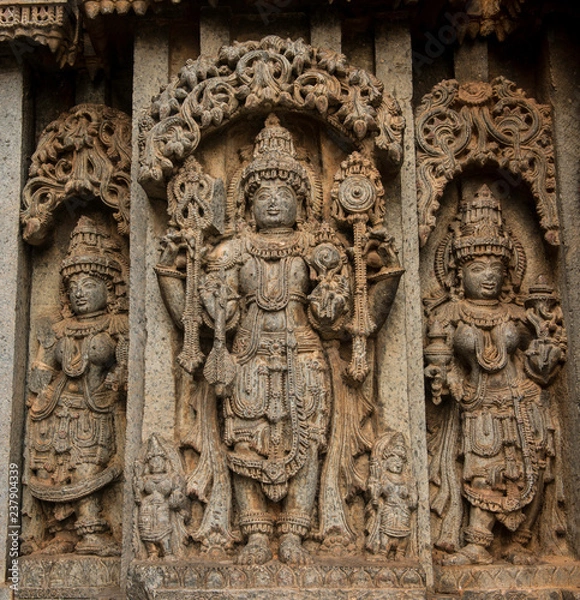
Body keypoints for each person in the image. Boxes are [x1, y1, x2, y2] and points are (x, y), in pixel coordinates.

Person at [425, 184, 566, 565]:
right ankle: (478, 541)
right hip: (475, 404)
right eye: (476, 268)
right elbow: (437, 359)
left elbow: (540, 355)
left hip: (521, 399)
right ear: (458, 272)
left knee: (526, 465)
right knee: (481, 469)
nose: (487, 276)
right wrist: (449, 380)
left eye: (495, 268)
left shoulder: (517, 315)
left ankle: (522, 538)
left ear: (507, 271)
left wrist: (545, 354)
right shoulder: (449, 315)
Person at [25, 216, 128, 556]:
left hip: (95, 406)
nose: (81, 293)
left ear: (108, 288)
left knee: (88, 464)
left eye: (89, 284)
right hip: (57, 410)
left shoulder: (115, 324)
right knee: (56, 465)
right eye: (75, 287)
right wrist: (40, 370)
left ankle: (91, 529)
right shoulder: (59, 329)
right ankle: (60, 531)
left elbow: (126, 364)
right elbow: (43, 367)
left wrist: (118, 372)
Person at [365, 431, 417, 559]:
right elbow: (374, 490)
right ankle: (383, 552)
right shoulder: (384, 477)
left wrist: (412, 499)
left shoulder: (406, 479)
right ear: (387, 461)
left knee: (404, 531)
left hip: (403, 510)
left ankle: (400, 553)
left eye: (400, 461)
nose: (398, 463)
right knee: (385, 530)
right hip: (388, 508)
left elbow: (413, 494)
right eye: (394, 460)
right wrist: (375, 495)